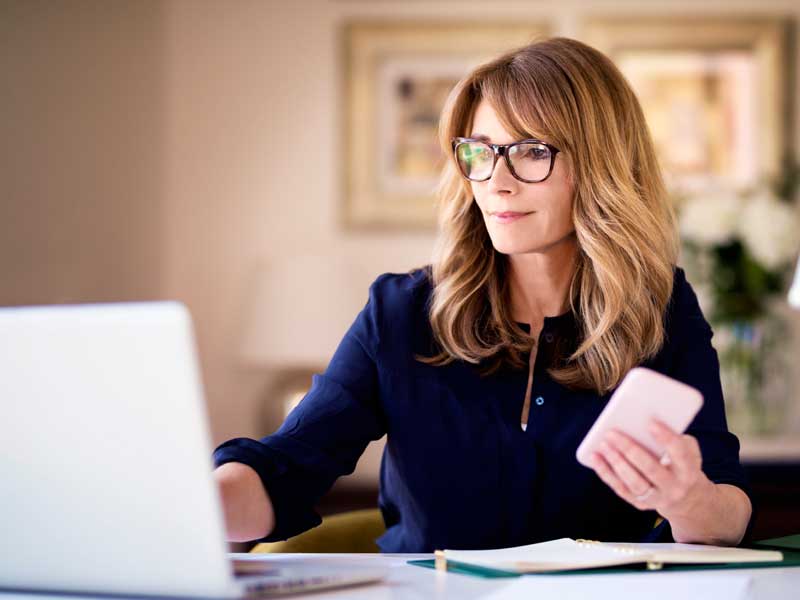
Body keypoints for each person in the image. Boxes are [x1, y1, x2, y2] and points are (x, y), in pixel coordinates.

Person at [213, 37, 753, 552]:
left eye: (531, 152)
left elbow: (727, 509)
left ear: (601, 166)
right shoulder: (401, 313)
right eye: (481, 151)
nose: (497, 180)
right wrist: (200, 504)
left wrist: (689, 500)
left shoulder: (661, 311)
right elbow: (289, 466)